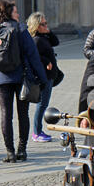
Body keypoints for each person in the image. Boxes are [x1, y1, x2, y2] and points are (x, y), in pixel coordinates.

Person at [0, 0, 47, 162]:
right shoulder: (21, 29)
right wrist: (42, 78)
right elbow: (33, 56)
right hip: (21, 77)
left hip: (1, 78)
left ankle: (9, 152)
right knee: (23, 114)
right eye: (16, 11)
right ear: (9, 13)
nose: (18, 14)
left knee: (5, 115)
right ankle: (22, 150)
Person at [27, 12, 59, 142]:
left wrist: (48, 31)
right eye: (43, 24)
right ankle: (37, 132)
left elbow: (56, 42)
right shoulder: (36, 40)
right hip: (43, 77)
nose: (46, 25)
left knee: (43, 104)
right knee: (42, 104)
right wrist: (46, 61)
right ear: (36, 26)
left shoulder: (43, 37)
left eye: (46, 23)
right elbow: (32, 55)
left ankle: (38, 131)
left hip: (49, 76)